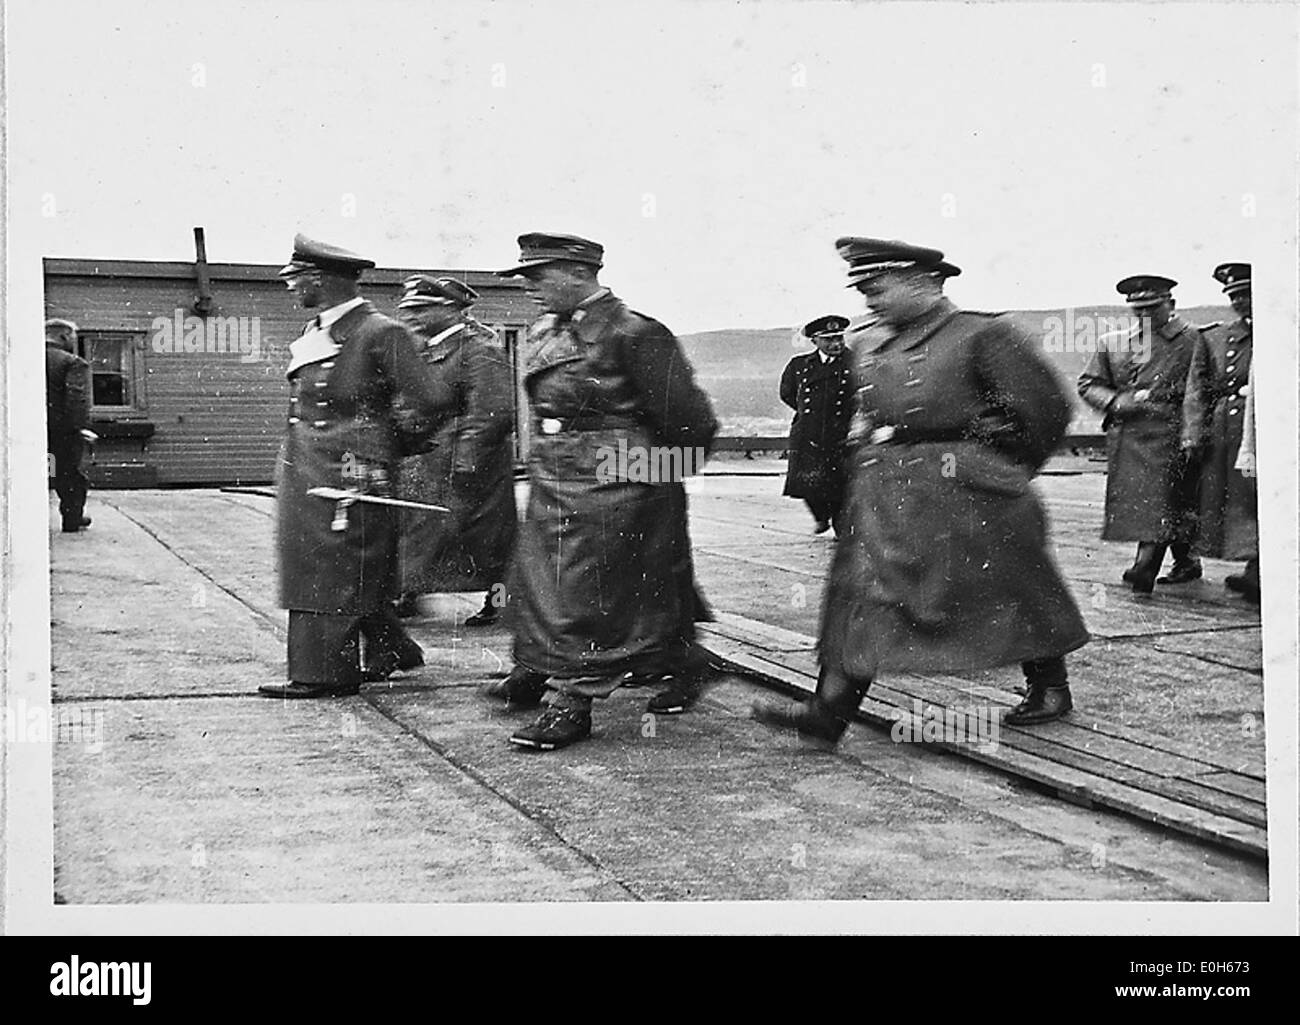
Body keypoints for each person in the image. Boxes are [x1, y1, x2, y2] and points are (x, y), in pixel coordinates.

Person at [753, 237, 1090, 743]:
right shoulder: (869, 342)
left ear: (924, 283)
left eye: (877, 288)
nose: (869, 301)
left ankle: (1050, 685)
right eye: (864, 290)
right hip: (886, 492)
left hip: (971, 493)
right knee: (861, 595)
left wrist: (999, 472)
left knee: (1009, 587)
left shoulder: (984, 335)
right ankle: (830, 711)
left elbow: (1044, 412)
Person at [492, 232, 719, 750]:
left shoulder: (633, 332)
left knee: (586, 591)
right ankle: (683, 662)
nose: (530, 288)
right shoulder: (548, 330)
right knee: (554, 581)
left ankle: (572, 700)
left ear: (578, 272)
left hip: (616, 481)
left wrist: (654, 477)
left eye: (538, 276)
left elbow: (690, 420)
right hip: (558, 475)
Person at [258, 235, 457, 700]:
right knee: (326, 563)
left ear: (321, 279)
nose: (291, 288)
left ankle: (324, 673)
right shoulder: (316, 331)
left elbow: (434, 398)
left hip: (347, 470)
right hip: (306, 463)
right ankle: (391, 649)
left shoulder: (379, 332)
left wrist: (390, 444)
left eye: (297, 279)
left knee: (331, 566)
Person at [391, 275, 518, 626]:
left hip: (470, 466)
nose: (410, 317)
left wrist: (466, 463)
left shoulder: (479, 351)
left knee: (490, 543)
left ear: (451, 310)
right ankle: (410, 593)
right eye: (407, 310)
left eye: (420, 309)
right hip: (426, 461)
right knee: (419, 534)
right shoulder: (424, 350)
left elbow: (491, 413)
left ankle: (500, 604)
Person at [1077, 275, 1204, 593]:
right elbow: (1088, 384)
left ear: (1170, 305)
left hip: (1172, 434)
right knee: (1157, 503)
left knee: (1161, 501)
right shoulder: (1113, 343)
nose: (1145, 315)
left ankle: (1143, 569)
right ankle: (1186, 561)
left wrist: (1194, 434)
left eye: (1153, 307)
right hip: (1128, 438)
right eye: (1139, 309)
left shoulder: (1194, 340)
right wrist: (1117, 401)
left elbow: (1200, 390)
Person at [1182, 263, 1258, 602]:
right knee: (1237, 501)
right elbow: (1197, 390)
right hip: (1227, 432)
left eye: (1246, 293)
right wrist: (1194, 434)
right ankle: (1254, 567)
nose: (1241, 302)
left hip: (1265, 426)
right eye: (1234, 296)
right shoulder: (1214, 337)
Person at [780, 315, 855, 534]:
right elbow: (787, 393)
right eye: (829, 340)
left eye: (839, 338)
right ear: (815, 341)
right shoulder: (799, 365)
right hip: (808, 433)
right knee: (806, 484)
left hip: (841, 433)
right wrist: (809, 415)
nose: (836, 344)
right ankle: (821, 516)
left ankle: (841, 529)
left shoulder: (855, 361)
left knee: (840, 487)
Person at [45, 319, 93, 533]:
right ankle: (72, 519)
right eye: (73, 337)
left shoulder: (19, 358)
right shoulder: (72, 362)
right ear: (64, 336)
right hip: (63, 430)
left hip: (27, 429)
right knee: (70, 475)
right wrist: (79, 427)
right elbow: (76, 398)